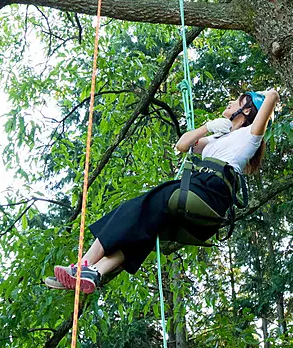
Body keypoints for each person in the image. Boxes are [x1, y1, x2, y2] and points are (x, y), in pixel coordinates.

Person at [47, 88, 280, 294]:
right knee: (142, 233)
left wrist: (263, 95)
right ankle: (96, 272)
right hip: (203, 198)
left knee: (131, 209)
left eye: (237, 101)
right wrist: (206, 128)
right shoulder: (219, 138)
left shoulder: (249, 138)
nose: (229, 104)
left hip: (207, 190)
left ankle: (82, 265)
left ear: (248, 110)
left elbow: (272, 97)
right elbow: (182, 145)